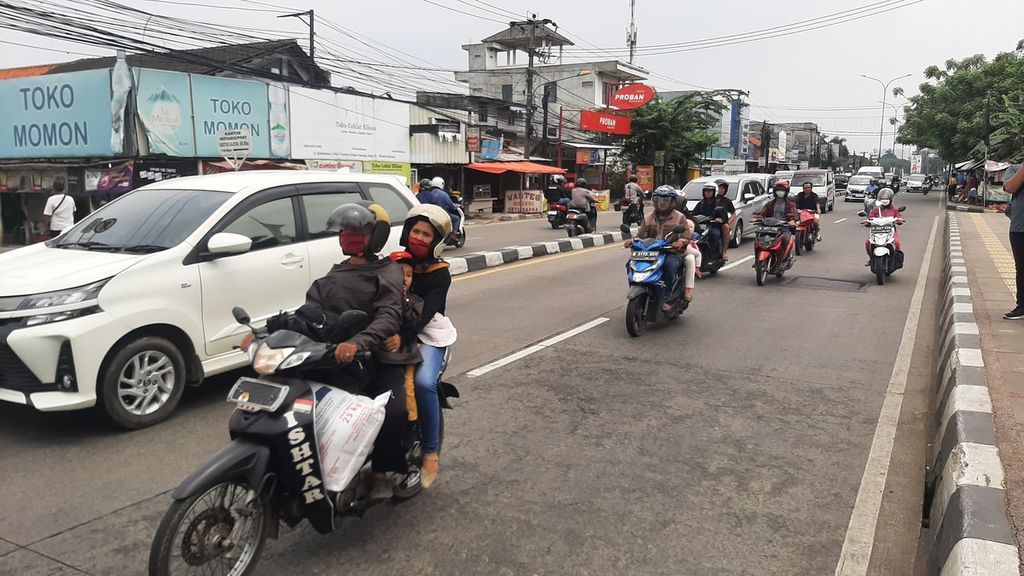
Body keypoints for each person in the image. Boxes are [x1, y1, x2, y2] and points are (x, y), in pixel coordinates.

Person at [271, 202, 408, 500]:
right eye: (345, 231)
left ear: (376, 236)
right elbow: (308, 313)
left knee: (393, 411)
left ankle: (381, 474)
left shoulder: (388, 272)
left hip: (377, 357)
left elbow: (389, 316)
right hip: (333, 357)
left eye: (357, 231)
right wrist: (269, 332)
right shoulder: (330, 277)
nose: (349, 236)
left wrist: (358, 342)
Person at [397, 205, 456, 487]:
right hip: (392, 331)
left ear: (436, 242)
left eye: (426, 234)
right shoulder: (396, 262)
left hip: (427, 335)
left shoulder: (439, 273)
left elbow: (422, 318)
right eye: (416, 231)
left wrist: (395, 333)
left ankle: (430, 451)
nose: (419, 237)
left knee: (423, 384)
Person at [624, 185, 696, 307]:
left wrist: (680, 242)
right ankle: (636, 287)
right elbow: (641, 235)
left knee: (669, 265)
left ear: (672, 202)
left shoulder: (679, 217)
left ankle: (667, 296)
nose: (662, 203)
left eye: (666, 200)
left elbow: (686, 235)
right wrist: (632, 241)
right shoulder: (648, 218)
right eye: (660, 200)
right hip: (650, 252)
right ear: (655, 201)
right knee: (630, 264)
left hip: (670, 252)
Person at [1003, 151, 1024, 320]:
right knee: (1021, 268)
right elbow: (1010, 187)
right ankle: (1021, 306)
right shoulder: (1014, 169)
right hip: (1019, 228)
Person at [864, 188, 903, 266]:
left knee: (897, 243)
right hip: (877, 231)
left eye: (886, 198)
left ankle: (896, 260)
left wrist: (899, 220)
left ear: (890, 199)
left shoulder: (894, 210)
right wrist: (867, 221)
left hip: (890, 231)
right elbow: (870, 217)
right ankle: (871, 259)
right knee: (868, 243)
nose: (885, 200)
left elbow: (899, 217)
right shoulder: (876, 209)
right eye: (883, 198)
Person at [757, 180, 798, 248]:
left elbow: (793, 215)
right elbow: (762, 213)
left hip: (783, 227)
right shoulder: (769, 204)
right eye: (778, 190)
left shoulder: (790, 204)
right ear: (774, 191)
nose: (780, 192)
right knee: (759, 239)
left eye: (782, 190)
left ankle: (786, 256)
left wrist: (792, 221)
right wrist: (758, 218)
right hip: (769, 227)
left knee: (786, 239)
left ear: (786, 192)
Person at [693, 182, 724, 261]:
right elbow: (693, 214)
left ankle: (713, 254)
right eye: (706, 191)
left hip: (713, 226)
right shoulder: (700, 204)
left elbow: (723, 216)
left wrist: (719, 219)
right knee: (693, 235)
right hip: (701, 226)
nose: (707, 193)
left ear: (714, 192)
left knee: (714, 234)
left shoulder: (719, 204)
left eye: (710, 191)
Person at [715, 180, 737, 261]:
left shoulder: (727, 201)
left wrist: (729, 222)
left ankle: (724, 252)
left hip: (722, 223)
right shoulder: (708, 199)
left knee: (726, 227)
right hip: (709, 222)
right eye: (719, 188)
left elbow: (733, 214)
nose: (721, 190)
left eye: (722, 188)